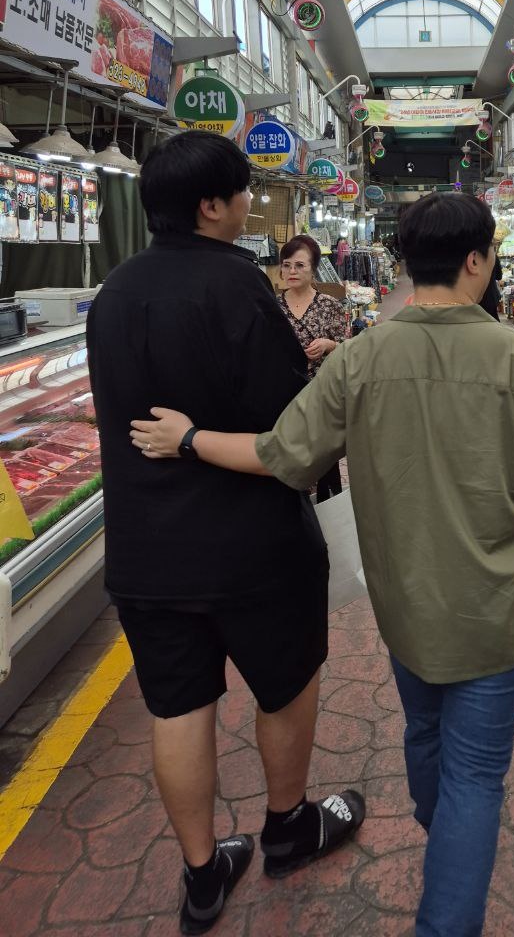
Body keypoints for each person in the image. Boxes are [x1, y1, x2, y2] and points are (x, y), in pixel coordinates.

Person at [130, 190, 514, 937]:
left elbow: (278, 455)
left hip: (404, 609)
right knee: (475, 778)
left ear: (409, 264)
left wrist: (188, 439)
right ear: (477, 262)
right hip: (492, 614)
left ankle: (440, 837)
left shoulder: (361, 359)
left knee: (423, 735)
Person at [87, 131, 363, 937]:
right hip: (252, 545)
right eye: (243, 192)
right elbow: (288, 429)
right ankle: (285, 827)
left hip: (145, 550)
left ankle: (204, 874)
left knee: (177, 709)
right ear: (212, 205)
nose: (251, 204)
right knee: (285, 683)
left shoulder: (113, 294)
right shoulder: (240, 288)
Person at [278, 233, 349, 500]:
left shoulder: (329, 305)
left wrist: (328, 344)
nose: (291, 271)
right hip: (284, 393)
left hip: (320, 393)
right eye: (286, 265)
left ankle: (325, 504)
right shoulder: (273, 305)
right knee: (289, 452)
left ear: (313, 269)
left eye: (299, 265)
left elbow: (347, 347)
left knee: (321, 456)